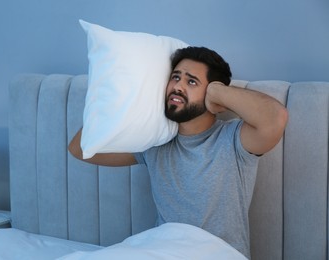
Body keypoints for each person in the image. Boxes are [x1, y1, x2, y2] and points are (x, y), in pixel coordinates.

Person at [69, 46, 288, 258]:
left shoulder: (233, 140)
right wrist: (117, 96)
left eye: (191, 81)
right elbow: (80, 149)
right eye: (175, 77)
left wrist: (217, 91)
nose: (178, 86)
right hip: (163, 249)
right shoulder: (154, 145)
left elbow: (275, 118)